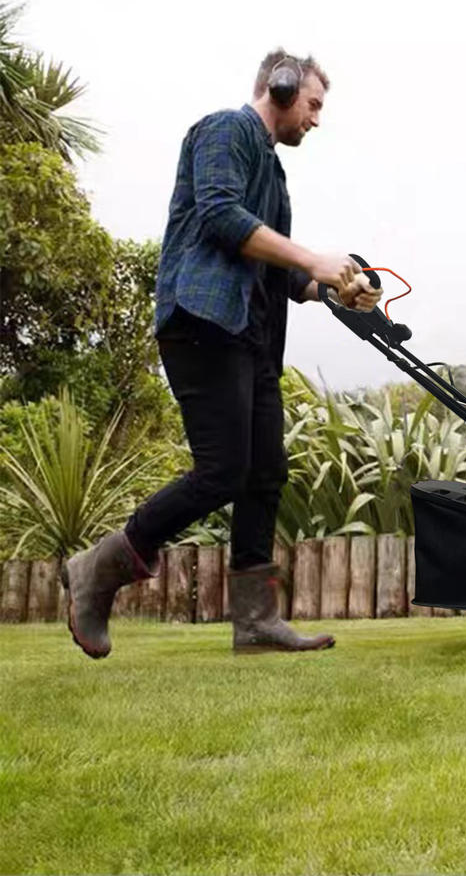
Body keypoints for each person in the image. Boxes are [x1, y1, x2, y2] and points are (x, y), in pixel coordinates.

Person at [60, 49, 382, 659]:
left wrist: (334, 290)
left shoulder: (275, 176)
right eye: (313, 105)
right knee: (223, 471)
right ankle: (97, 569)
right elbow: (219, 217)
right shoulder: (224, 130)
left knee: (265, 472)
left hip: (253, 338)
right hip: (203, 322)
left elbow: (284, 275)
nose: (316, 120)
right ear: (280, 88)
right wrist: (315, 258)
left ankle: (256, 622)